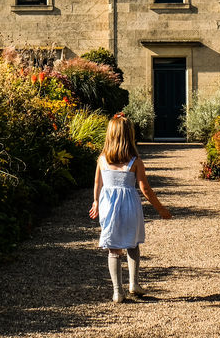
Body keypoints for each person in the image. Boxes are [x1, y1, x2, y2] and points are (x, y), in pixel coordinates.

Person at [88, 114, 172, 302]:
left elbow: (97, 183)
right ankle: (133, 283)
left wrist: (95, 202)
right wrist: (160, 209)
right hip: (130, 206)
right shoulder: (135, 162)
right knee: (132, 244)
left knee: (113, 248)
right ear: (130, 136)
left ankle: (118, 291)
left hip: (108, 206)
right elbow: (145, 189)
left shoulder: (102, 159)